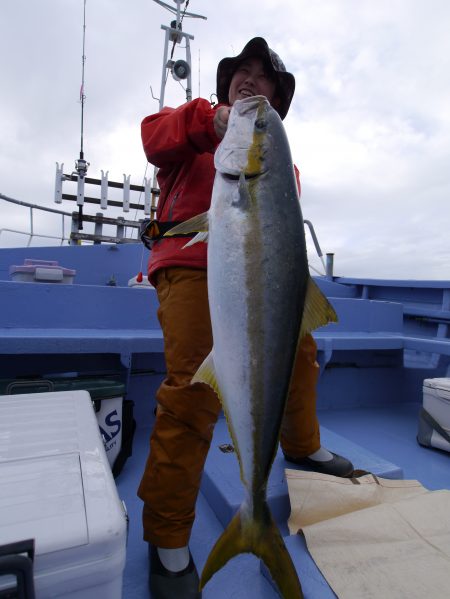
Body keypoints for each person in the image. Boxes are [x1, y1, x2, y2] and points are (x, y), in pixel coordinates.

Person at [138, 37, 354, 599]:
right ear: (225, 89)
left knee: (301, 353)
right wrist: (209, 124)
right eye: (242, 72)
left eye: (264, 77)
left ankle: (302, 446)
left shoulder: (279, 162)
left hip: (267, 279)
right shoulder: (193, 131)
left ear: (277, 105)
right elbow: (151, 138)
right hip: (190, 267)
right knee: (190, 391)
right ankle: (168, 538)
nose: (251, 80)